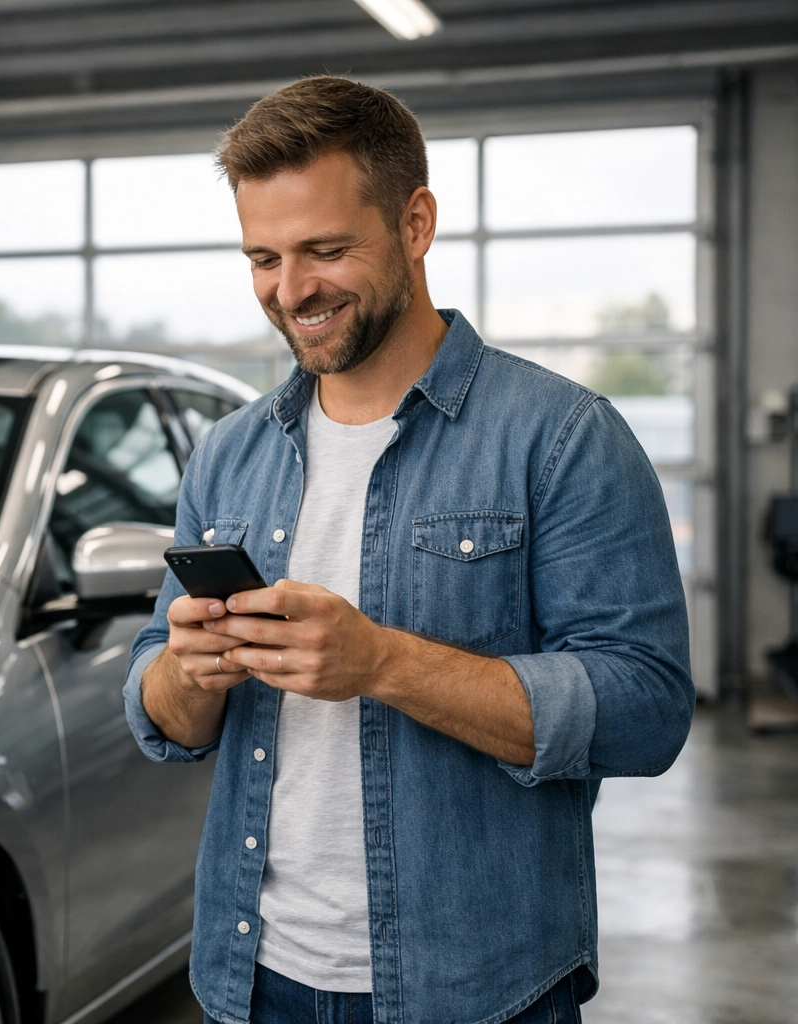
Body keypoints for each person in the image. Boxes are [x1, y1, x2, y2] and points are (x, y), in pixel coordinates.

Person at [125, 75, 692, 1024]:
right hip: (252, 979)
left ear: (416, 223)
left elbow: (646, 709)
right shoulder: (230, 455)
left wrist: (380, 660)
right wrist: (190, 669)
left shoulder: (561, 437)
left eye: (326, 250)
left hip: (476, 987)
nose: (291, 290)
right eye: (263, 257)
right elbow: (167, 714)